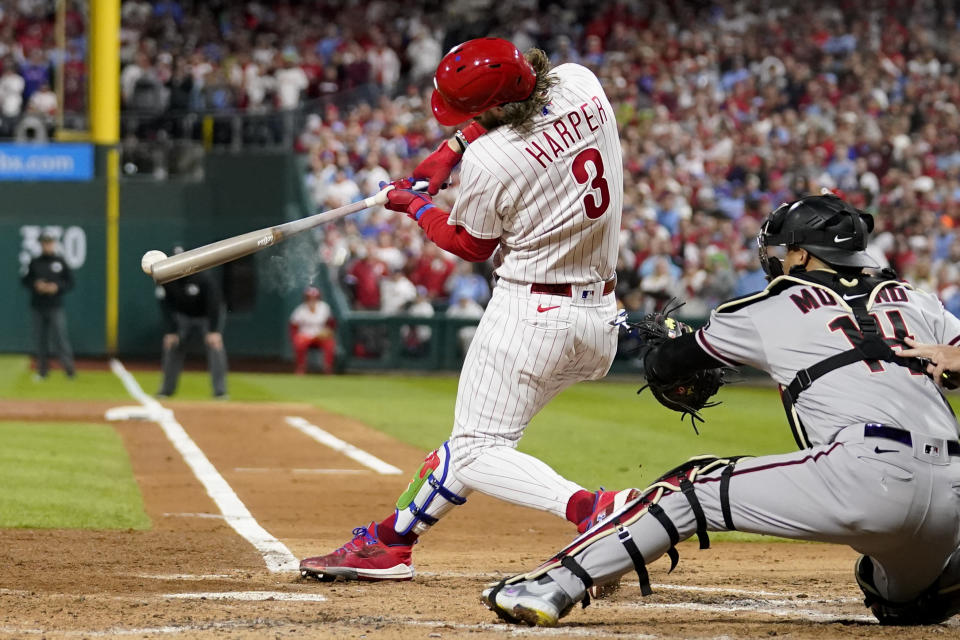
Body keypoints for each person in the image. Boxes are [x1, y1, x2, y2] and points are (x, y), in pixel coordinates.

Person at [480, 194, 960, 627]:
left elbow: (672, 364)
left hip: (865, 474)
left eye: (782, 251)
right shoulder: (919, 301)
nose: (777, 260)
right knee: (895, 599)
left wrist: (664, 351)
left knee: (689, 488)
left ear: (802, 255)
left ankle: (551, 586)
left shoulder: (772, 303)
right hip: (953, 493)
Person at [299, 38, 628, 582]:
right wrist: (451, 150)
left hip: (531, 315)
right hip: (599, 319)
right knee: (476, 441)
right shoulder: (580, 81)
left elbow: (468, 245)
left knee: (478, 449)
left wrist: (415, 204)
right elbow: (518, 114)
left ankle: (594, 511)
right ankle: (391, 542)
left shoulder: (494, 159)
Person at [155, 251, 228, 398]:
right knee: (172, 346)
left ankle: (220, 392)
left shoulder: (203, 277)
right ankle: (166, 390)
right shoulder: (167, 280)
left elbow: (214, 304)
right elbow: (165, 306)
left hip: (206, 317)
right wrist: (171, 331)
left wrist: (214, 330)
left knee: (216, 347)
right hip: (182, 317)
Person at [21, 231, 75, 380]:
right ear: (41, 244)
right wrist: (36, 284)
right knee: (40, 339)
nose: (47, 245)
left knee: (60, 338)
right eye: (45, 242)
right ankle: (42, 370)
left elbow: (70, 282)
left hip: (55, 305)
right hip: (37, 305)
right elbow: (25, 280)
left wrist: (56, 287)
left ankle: (69, 370)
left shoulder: (60, 261)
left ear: (54, 243)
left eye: (50, 242)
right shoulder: (35, 262)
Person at [289, 286, 335, 375]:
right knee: (299, 342)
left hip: (320, 335)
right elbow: (293, 326)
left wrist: (328, 331)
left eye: (315, 298)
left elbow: (331, 323)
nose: (312, 300)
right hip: (305, 335)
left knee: (330, 343)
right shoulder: (300, 310)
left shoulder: (324, 307)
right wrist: (295, 337)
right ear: (305, 298)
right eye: (309, 298)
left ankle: (328, 368)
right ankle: (301, 367)